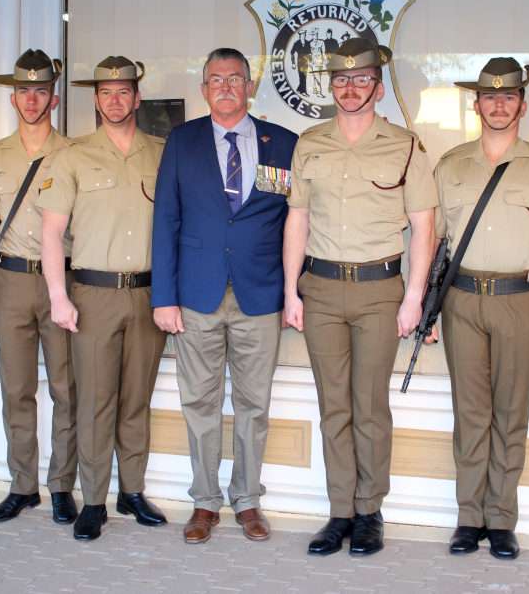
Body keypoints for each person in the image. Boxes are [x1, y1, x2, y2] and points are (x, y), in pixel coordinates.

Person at [282, 39, 437, 557]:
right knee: (333, 408)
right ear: (331, 85)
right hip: (321, 289)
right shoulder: (311, 143)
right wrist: (291, 291)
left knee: (369, 407)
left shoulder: (405, 145)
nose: (351, 89)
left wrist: (413, 296)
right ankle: (339, 512)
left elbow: (424, 226)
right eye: (342, 80)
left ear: (378, 85)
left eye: (362, 80)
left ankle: (370, 511)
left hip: (378, 290)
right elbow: (296, 220)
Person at [151, 47, 297, 545]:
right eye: (216, 79)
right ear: (203, 89)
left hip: (260, 293)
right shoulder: (182, 141)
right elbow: (166, 221)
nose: (226, 87)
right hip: (196, 294)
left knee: (255, 404)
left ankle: (248, 499)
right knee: (201, 401)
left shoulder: (283, 144)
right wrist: (163, 297)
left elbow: (292, 222)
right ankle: (204, 502)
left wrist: (291, 291)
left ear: (251, 85)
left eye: (235, 79)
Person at [434, 58, 529, 559]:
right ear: (476, 104)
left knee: (511, 413)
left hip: (521, 299)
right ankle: (469, 517)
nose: (498, 104)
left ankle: (502, 519)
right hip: (463, 300)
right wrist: (427, 308)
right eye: (489, 96)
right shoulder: (450, 166)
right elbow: (435, 242)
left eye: (508, 96)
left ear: (522, 104)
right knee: (470, 413)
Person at [37, 56, 168, 541]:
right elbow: (51, 234)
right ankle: (93, 499)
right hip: (91, 295)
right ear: (95, 100)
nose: (115, 100)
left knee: (136, 399)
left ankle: (131, 490)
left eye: (123, 92)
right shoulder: (72, 156)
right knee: (94, 402)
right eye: (106, 93)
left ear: (137, 98)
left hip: (147, 295)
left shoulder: (161, 152)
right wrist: (58, 296)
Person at [0, 49, 78, 525]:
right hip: (11, 280)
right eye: (23, 91)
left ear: (53, 98)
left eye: (40, 91)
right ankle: (22, 485)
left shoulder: (75, 154)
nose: (31, 100)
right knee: (16, 389)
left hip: (62, 281)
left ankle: (61, 485)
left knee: (65, 388)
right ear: (12, 98)